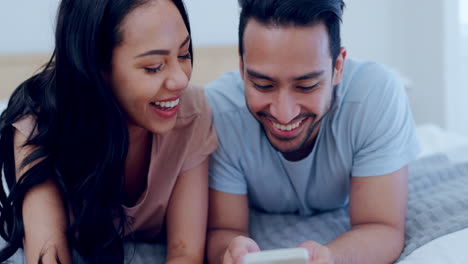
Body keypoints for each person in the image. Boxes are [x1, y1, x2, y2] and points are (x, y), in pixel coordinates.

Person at [0, 0, 217, 263]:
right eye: (154, 67)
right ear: (96, 68)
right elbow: (47, 255)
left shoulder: (192, 112)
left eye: (184, 54)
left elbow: (185, 253)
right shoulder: (38, 122)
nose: (181, 80)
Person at [204, 0, 420, 263]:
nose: (284, 113)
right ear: (241, 67)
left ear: (338, 67)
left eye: (306, 86)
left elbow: (382, 227)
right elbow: (224, 231)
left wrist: (331, 257)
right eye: (262, 85)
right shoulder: (218, 111)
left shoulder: (375, 96)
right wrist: (229, 253)